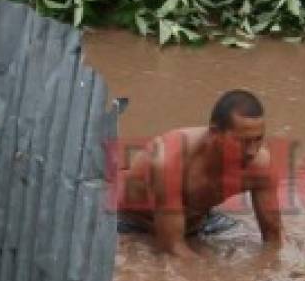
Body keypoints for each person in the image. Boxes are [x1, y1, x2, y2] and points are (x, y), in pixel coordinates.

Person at [117, 90, 282, 258]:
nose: (252, 151)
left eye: (258, 139)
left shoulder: (261, 165)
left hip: (199, 222)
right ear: (215, 133)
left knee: (243, 243)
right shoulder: (167, 159)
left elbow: (273, 238)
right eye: (243, 142)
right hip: (133, 223)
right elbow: (171, 248)